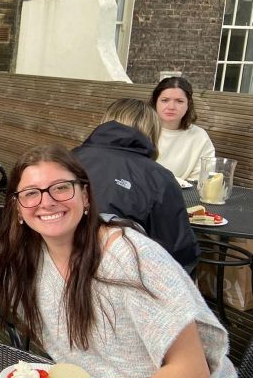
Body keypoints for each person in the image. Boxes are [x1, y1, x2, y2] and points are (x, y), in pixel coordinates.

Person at [0, 144, 253, 378]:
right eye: (31, 193)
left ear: (85, 195)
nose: (46, 201)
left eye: (61, 188)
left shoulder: (128, 255)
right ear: (18, 208)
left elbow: (190, 367)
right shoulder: (31, 265)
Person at [73, 98, 199, 271]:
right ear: (153, 132)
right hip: (125, 278)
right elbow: (178, 251)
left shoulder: (66, 160)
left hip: (60, 265)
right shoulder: (160, 178)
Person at [150, 76, 215, 184]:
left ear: (188, 104)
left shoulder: (199, 136)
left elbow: (203, 178)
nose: (171, 107)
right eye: (165, 100)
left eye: (179, 101)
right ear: (155, 102)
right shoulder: (140, 130)